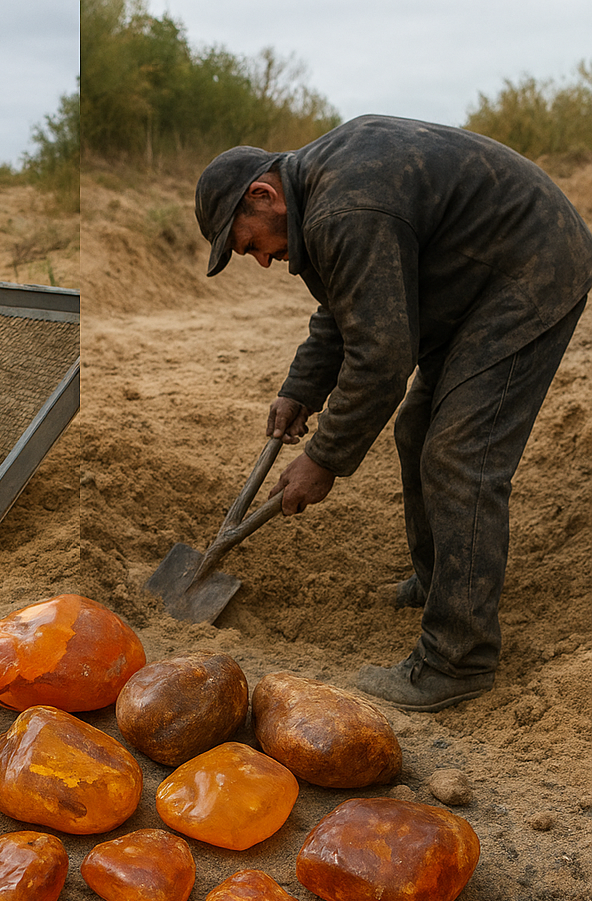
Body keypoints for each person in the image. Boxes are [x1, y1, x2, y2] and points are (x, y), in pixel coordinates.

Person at [195, 115, 592, 712]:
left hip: (531, 268)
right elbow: (347, 308)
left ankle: (457, 659)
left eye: (248, 244)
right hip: (481, 275)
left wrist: (323, 459)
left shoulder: (342, 210)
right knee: (417, 429)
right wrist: (302, 388)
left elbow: (381, 357)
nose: (261, 261)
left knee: (460, 454)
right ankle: (440, 583)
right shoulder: (321, 198)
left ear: (263, 194)